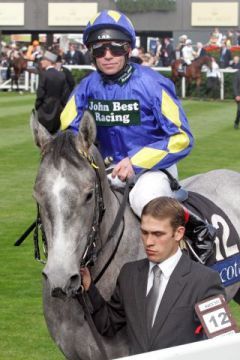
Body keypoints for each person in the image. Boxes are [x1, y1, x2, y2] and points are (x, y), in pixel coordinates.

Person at [60, 9, 216, 263]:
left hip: (153, 169)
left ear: (128, 49)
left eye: (116, 48)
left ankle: (196, 231)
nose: (107, 56)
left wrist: (136, 161)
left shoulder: (153, 84)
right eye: (99, 50)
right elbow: (69, 130)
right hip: (108, 169)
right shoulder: (86, 87)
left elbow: (182, 137)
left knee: (144, 198)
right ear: (92, 53)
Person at [80, 197, 225, 356]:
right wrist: (89, 287)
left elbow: (222, 344)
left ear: (178, 233)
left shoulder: (205, 281)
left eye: (158, 234)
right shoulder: (129, 274)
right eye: (144, 232)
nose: (149, 242)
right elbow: (107, 323)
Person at [35, 50, 71, 134]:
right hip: (58, 110)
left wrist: (37, 106)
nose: (41, 62)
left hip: (44, 110)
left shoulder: (44, 75)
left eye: (43, 60)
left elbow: (40, 94)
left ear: (48, 61)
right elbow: (65, 95)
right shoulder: (61, 75)